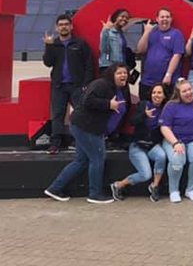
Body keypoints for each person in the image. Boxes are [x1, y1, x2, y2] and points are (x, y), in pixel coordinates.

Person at [44, 64, 129, 204]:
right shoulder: (101, 84)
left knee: (81, 160)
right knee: (98, 159)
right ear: (111, 74)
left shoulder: (115, 88)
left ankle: (54, 188)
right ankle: (95, 194)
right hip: (86, 128)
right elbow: (87, 101)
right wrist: (108, 104)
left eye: (125, 73)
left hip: (84, 127)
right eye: (119, 73)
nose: (123, 75)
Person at [42, 14, 94, 154]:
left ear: (71, 27)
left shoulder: (80, 43)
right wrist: (48, 46)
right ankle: (55, 143)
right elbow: (48, 63)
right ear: (56, 28)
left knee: (80, 114)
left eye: (66, 24)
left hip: (77, 86)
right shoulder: (54, 44)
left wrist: (86, 83)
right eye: (61, 25)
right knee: (58, 115)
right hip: (59, 86)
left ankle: (80, 141)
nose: (63, 26)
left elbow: (89, 64)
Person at [110, 83, 168, 202]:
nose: (156, 95)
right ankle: (118, 185)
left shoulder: (165, 110)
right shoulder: (144, 105)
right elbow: (133, 122)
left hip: (152, 145)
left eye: (159, 93)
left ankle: (155, 186)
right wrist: (144, 115)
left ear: (164, 96)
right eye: (154, 92)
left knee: (162, 155)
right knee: (145, 175)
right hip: (138, 145)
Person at [136, 8, 185, 101]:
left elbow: (177, 55)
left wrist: (168, 75)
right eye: (162, 17)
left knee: (166, 110)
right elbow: (140, 50)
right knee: (145, 108)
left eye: (167, 17)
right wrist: (146, 32)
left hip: (167, 82)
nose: (165, 19)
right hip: (148, 81)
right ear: (157, 19)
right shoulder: (151, 32)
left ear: (171, 19)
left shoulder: (176, 34)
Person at [98, 8, 133, 74]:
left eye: (127, 18)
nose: (125, 19)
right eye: (122, 16)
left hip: (119, 67)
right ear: (115, 17)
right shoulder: (108, 31)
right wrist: (105, 30)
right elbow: (102, 49)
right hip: (109, 67)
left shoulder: (121, 33)